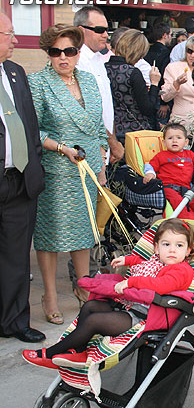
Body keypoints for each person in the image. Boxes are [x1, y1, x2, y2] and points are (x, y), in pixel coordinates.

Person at [22, 219, 194, 368]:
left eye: (179, 245)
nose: (172, 250)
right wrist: (127, 259)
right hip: (128, 306)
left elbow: (160, 285)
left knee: (95, 321)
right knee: (91, 305)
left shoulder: (181, 271)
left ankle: (51, 354)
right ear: (156, 248)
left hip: (144, 316)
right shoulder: (157, 260)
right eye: (167, 244)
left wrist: (131, 282)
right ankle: (79, 350)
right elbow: (144, 264)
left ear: (187, 251)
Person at [29, 23, 108, 322]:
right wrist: (62, 148)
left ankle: (84, 287)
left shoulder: (88, 80)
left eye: (70, 51)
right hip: (55, 168)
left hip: (87, 168)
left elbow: (98, 124)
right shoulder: (37, 83)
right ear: (48, 54)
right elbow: (31, 130)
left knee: (84, 231)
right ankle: (49, 294)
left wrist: (100, 162)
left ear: (78, 53)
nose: (63, 57)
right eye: (55, 52)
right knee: (50, 234)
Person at [0, 11, 47, 343]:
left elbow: (30, 125)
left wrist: (35, 165)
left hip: (19, 180)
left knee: (17, 257)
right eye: (8, 33)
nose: (16, 40)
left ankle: (15, 322)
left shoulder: (15, 72)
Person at [143, 123, 194, 234]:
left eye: (178, 138)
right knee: (181, 204)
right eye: (170, 138)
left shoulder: (189, 155)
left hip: (187, 188)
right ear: (164, 142)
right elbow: (150, 165)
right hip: (169, 188)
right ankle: (193, 230)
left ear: (186, 142)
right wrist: (149, 173)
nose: (174, 141)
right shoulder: (161, 156)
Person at [75, 6, 123, 163]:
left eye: (107, 30)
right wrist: (113, 143)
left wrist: (112, 140)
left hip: (103, 147)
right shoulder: (77, 62)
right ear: (82, 30)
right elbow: (88, 113)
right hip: (87, 149)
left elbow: (106, 106)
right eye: (100, 30)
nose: (105, 35)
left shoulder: (98, 60)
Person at [105, 29, 161, 141]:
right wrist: (154, 83)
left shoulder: (104, 68)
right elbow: (148, 108)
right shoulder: (132, 72)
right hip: (134, 132)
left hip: (110, 130)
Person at [162, 36, 194, 124]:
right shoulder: (173, 68)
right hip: (181, 121)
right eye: (189, 51)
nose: (192, 56)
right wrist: (176, 84)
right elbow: (165, 96)